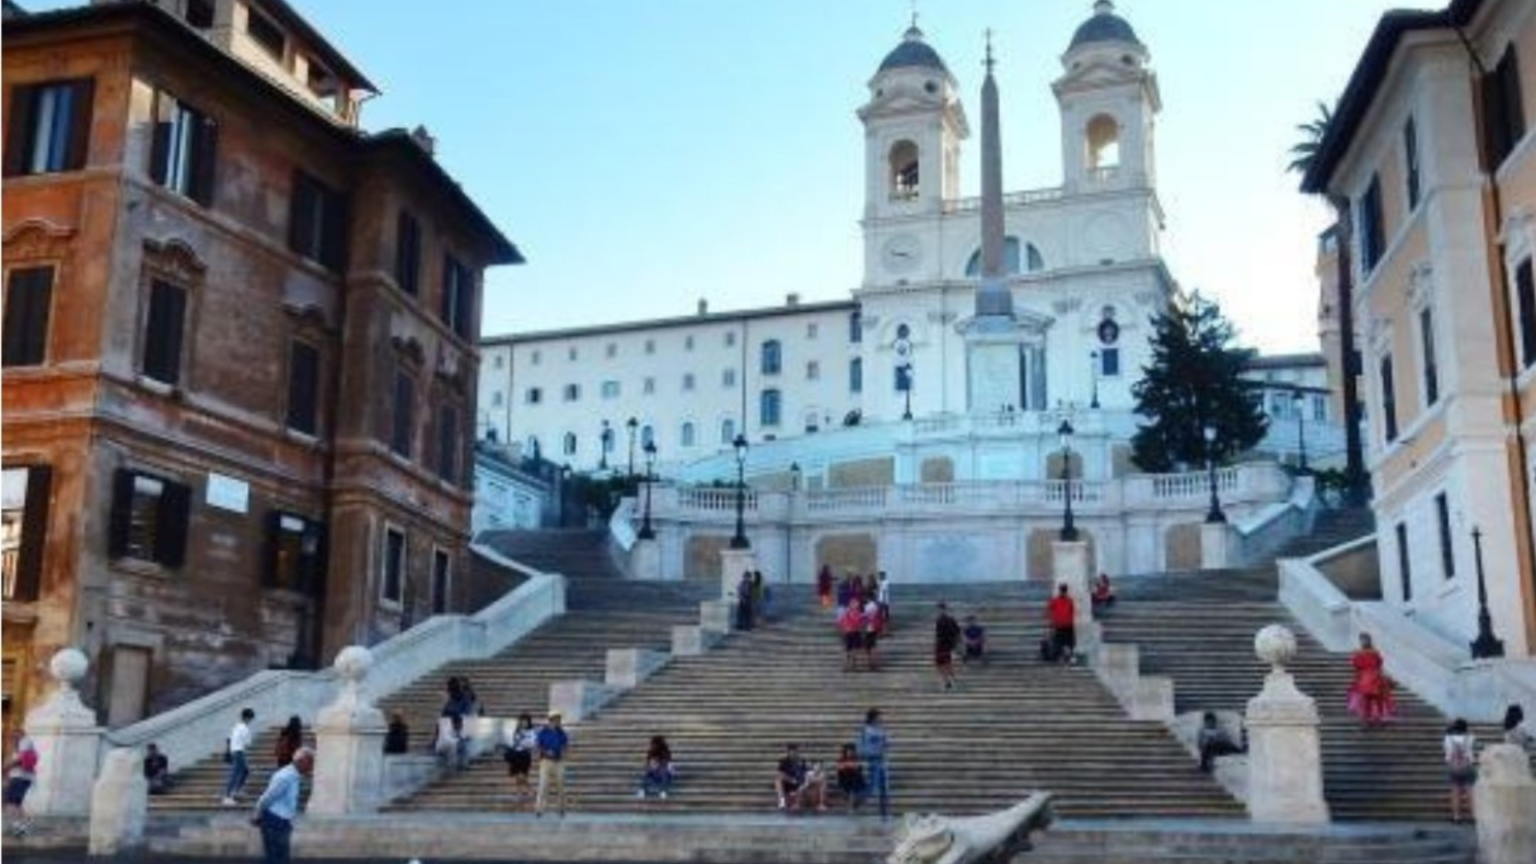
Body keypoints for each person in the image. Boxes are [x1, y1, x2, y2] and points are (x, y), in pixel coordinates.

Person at [250, 746, 313, 864]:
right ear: (301, 761)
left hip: (281, 821)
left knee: (279, 857)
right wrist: (257, 814)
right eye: (310, 763)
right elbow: (267, 797)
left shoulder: (293, 776)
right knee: (277, 858)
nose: (311, 768)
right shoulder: (285, 777)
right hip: (275, 821)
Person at [1347, 633, 1392, 727]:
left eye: (1362, 640)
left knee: (1367, 700)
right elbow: (1379, 664)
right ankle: (1377, 718)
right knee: (1377, 700)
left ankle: (1367, 719)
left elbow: (1356, 665)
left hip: (1365, 679)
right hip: (1374, 678)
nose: (1362, 642)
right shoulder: (1375, 652)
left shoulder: (1360, 653)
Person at [535, 710, 570, 817]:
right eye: (556, 719)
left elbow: (565, 745)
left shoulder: (562, 732)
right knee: (543, 785)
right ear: (550, 720)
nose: (558, 721)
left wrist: (563, 754)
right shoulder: (543, 732)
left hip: (558, 761)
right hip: (546, 761)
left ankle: (561, 809)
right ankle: (539, 809)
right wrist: (545, 751)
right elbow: (538, 746)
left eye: (559, 719)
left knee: (561, 785)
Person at [857, 708, 891, 820]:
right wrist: (871, 752)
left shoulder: (880, 729)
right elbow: (863, 747)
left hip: (882, 760)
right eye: (879, 716)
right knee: (873, 788)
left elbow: (886, 742)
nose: (881, 718)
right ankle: (858, 798)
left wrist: (886, 744)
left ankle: (884, 814)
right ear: (873, 717)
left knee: (884, 789)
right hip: (873, 760)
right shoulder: (866, 730)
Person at [773, 743, 826, 812]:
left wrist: (816, 773)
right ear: (788, 753)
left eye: (795, 752)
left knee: (821, 779)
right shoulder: (784, 762)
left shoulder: (802, 761)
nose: (793, 754)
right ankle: (782, 801)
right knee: (778, 780)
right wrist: (791, 780)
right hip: (789, 784)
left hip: (801, 783)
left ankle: (821, 803)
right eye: (791, 752)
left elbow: (808, 772)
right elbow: (779, 774)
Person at [3, 732, 38, 837]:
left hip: (20, 777)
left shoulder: (24, 742)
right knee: (16, 803)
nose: (11, 739)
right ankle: (21, 826)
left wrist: (5, 767)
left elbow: (18, 760)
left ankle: (20, 826)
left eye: (13, 736)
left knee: (10, 802)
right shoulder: (22, 743)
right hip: (21, 777)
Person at [1444, 718, 1477, 823]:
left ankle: (1457, 817)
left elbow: (1447, 750)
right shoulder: (1471, 737)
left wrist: (1449, 730)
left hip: (1453, 767)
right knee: (1470, 792)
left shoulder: (1448, 739)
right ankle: (1473, 816)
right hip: (1467, 766)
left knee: (1455, 792)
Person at [223, 707, 255, 805]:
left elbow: (228, 739)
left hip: (234, 751)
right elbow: (248, 743)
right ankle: (228, 796)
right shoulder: (245, 728)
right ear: (247, 718)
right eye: (250, 718)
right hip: (239, 752)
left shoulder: (236, 726)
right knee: (235, 774)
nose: (251, 721)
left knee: (245, 771)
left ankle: (236, 791)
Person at [502, 713, 537, 800]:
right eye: (522, 721)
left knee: (523, 775)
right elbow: (511, 742)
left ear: (529, 722)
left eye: (526, 721)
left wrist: (522, 743)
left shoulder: (532, 732)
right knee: (517, 775)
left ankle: (531, 790)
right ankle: (519, 793)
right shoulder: (516, 731)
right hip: (515, 754)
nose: (523, 723)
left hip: (525, 755)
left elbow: (532, 744)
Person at [1046, 584, 1077, 665]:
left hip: (1060, 625)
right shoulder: (1069, 600)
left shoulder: (1055, 600)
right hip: (1067, 625)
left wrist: (1052, 622)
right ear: (1066, 591)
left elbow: (1050, 610)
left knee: (1060, 642)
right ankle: (1069, 657)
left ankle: (1061, 657)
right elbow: (1072, 611)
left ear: (1060, 590)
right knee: (1069, 642)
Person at [934, 602, 961, 690]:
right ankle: (947, 682)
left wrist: (955, 644)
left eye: (941, 609)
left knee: (947, 664)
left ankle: (952, 682)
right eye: (939, 609)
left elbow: (957, 632)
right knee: (940, 664)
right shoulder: (940, 620)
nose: (939, 611)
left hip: (946, 645)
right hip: (941, 644)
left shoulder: (949, 620)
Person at [638, 734, 674, 800]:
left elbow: (669, 764)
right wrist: (652, 766)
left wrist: (664, 766)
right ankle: (642, 790)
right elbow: (649, 764)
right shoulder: (651, 753)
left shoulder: (665, 753)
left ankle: (663, 791)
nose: (652, 746)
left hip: (664, 774)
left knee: (664, 774)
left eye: (654, 744)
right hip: (655, 773)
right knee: (647, 775)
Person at [835, 743, 867, 812]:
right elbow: (839, 767)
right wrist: (848, 765)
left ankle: (854, 805)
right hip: (845, 779)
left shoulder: (856, 758)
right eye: (848, 751)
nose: (849, 752)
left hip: (856, 779)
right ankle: (850, 806)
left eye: (851, 751)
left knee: (858, 792)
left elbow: (858, 766)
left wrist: (849, 765)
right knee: (849, 791)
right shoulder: (842, 758)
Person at [840, 601, 865, 672]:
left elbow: (841, 622)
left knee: (847, 650)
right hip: (855, 632)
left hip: (847, 632)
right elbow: (860, 624)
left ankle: (845, 666)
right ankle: (853, 666)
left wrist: (844, 629)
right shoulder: (858, 613)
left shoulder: (846, 613)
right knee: (854, 650)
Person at [862, 596, 883, 671]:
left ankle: (868, 664)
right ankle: (874, 664)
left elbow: (864, 618)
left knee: (867, 648)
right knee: (873, 647)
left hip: (868, 629)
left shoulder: (867, 606)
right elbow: (879, 617)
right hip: (874, 629)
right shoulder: (876, 606)